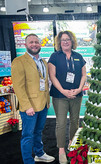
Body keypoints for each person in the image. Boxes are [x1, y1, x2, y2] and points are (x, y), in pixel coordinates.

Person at [11, 34, 55, 164]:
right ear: (25, 45)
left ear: (40, 44)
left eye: (36, 42)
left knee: (38, 132)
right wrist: (26, 105)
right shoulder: (19, 62)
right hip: (29, 106)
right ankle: (28, 161)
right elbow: (18, 86)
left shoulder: (44, 62)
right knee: (27, 135)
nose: (34, 44)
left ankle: (39, 153)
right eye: (31, 42)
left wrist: (47, 101)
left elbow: (45, 82)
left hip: (42, 104)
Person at [48, 31, 86, 164]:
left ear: (72, 41)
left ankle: (72, 143)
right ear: (59, 42)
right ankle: (61, 150)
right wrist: (64, 91)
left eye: (68, 39)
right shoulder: (54, 56)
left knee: (75, 120)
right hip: (60, 96)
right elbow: (52, 76)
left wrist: (80, 89)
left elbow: (83, 75)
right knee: (61, 123)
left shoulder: (78, 56)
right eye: (63, 40)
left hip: (76, 95)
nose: (65, 42)